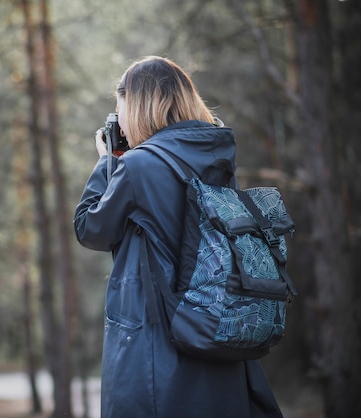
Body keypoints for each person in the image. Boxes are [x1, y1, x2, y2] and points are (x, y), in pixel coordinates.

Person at [73, 56, 283, 418]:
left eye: (120, 106)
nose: (119, 119)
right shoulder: (216, 159)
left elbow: (90, 228)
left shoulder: (138, 166)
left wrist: (106, 161)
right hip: (217, 333)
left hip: (158, 353)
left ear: (137, 105)